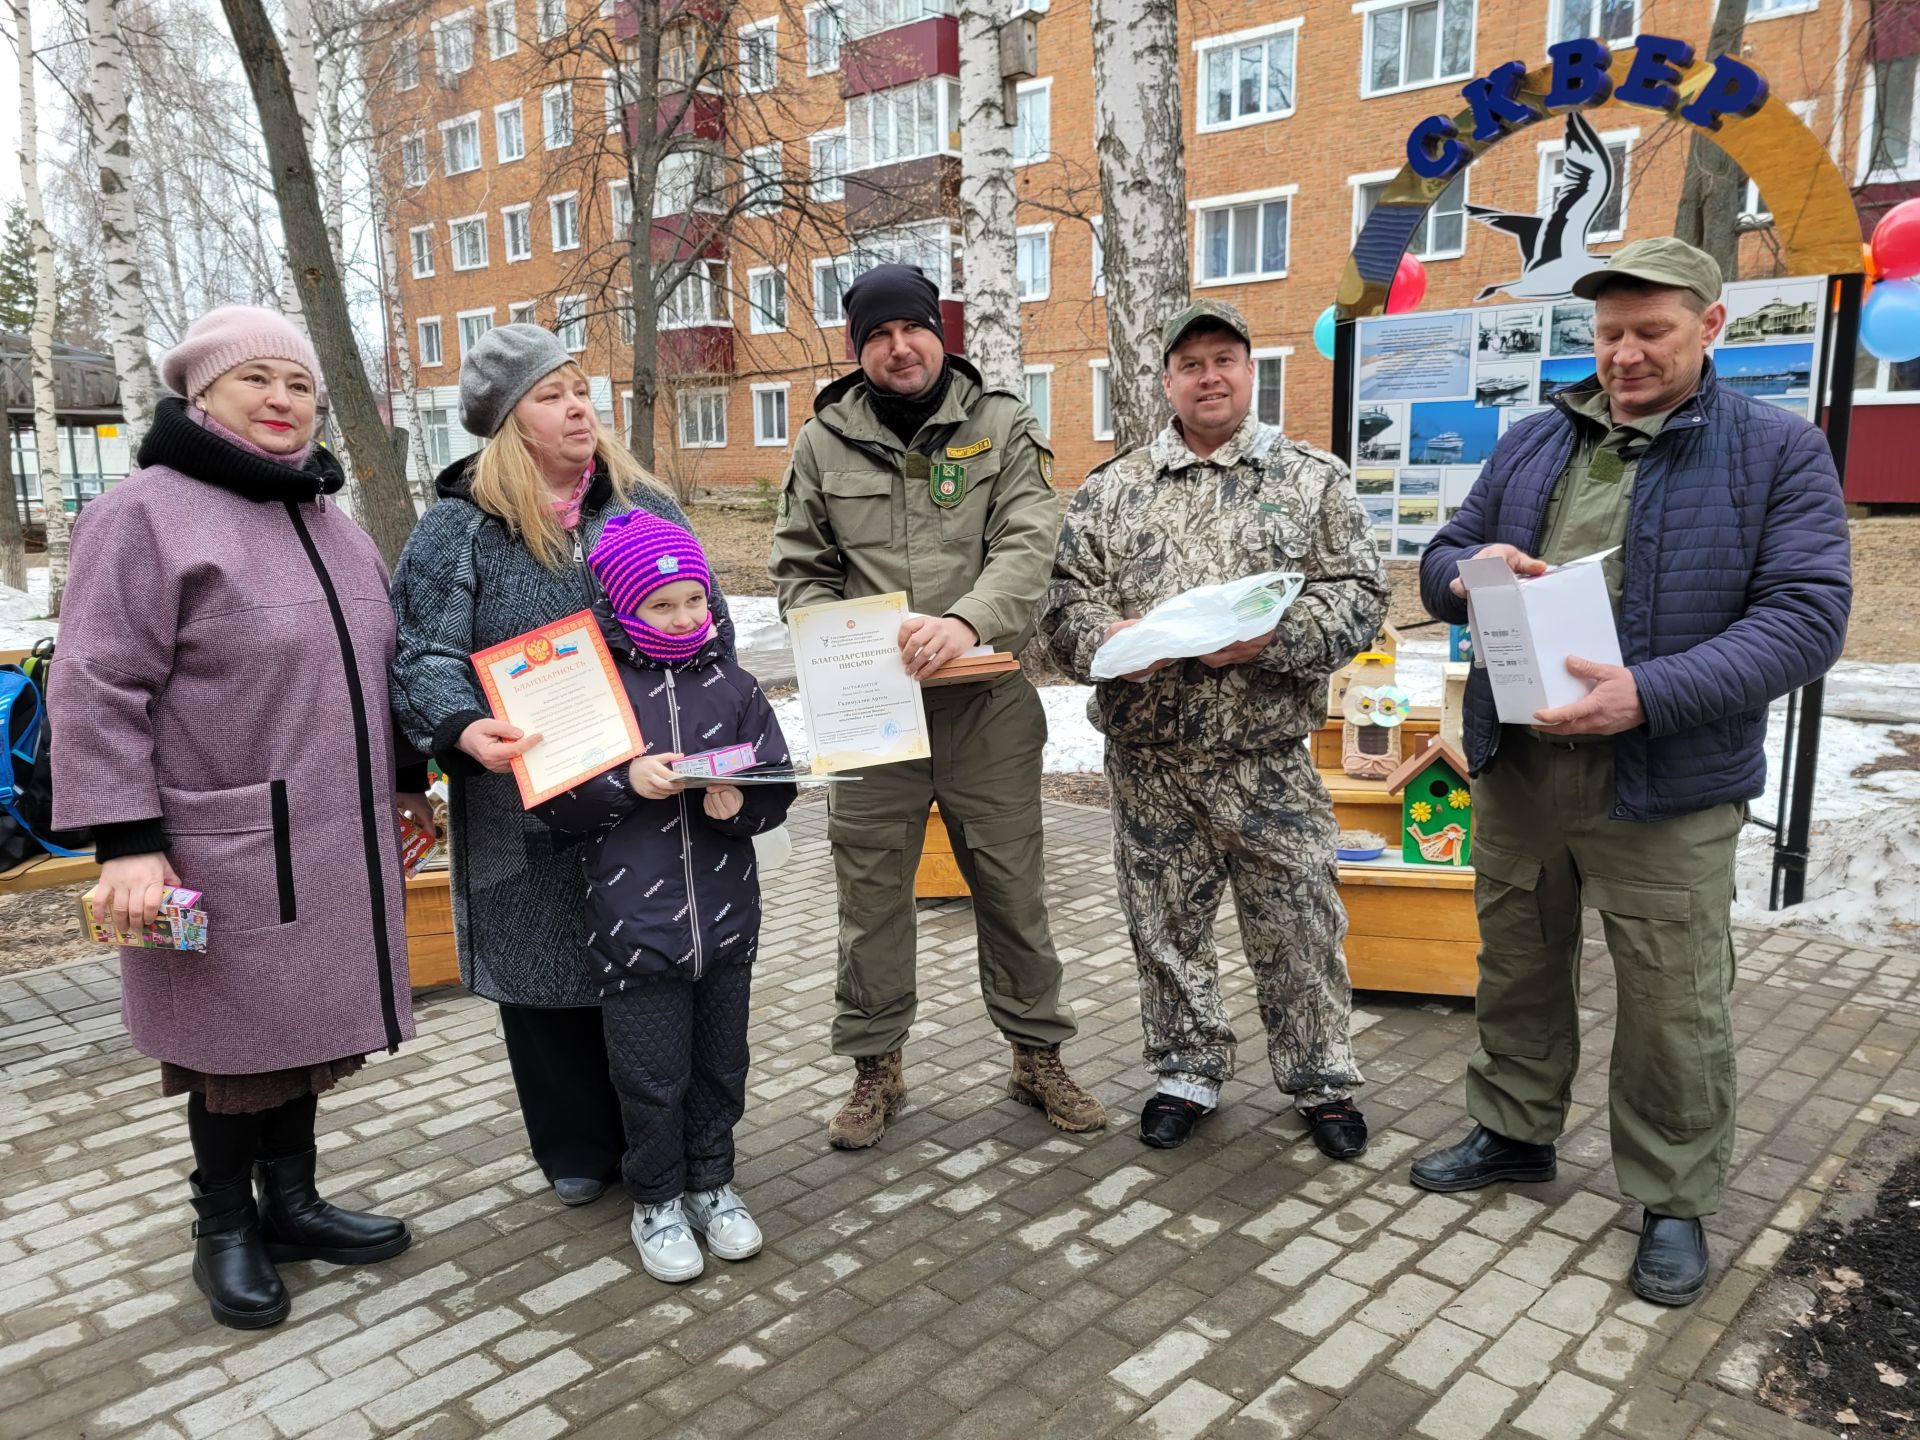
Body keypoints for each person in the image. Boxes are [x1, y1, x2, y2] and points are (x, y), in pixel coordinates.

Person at [1413, 239, 1852, 1306]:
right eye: (1609, 334)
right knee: (1517, 960)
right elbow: (1443, 555)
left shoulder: (1775, 451)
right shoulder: (1532, 443)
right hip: (1522, 766)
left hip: (1665, 778)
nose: (1624, 354)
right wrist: (1469, 579)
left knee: (1672, 1002)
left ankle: (1672, 1198)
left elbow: (1806, 618)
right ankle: (1515, 1131)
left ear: (1711, 326)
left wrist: (1648, 694)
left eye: (1650, 332)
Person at [52, 306, 419, 1330]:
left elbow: (373, 669)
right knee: (232, 1044)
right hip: (219, 837)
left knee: (295, 1026)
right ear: (200, 395)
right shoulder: (146, 513)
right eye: (256, 379)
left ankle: (292, 1204)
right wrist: (127, 841)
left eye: (298, 384)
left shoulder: (327, 521)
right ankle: (225, 1227)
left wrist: (402, 779)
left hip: (328, 831)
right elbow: (97, 682)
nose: (281, 401)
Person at [390, 324, 734, 1205]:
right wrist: (461, 727)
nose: (578, 406)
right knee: (546, 972)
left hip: (652, 790)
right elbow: (422, 654)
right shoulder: (459, 529)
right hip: (524, 793)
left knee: (652, 965)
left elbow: (710, 624)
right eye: (551, 395)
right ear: (509, 422)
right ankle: (576, 1144)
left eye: (581, 388)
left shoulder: (645, 504)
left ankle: (664, 1141)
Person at [1041, 299, 1388, 1158]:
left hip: (1266, 757)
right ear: (1167, 381)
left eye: (1224, 358)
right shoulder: (1112, 489)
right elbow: (1063, 608)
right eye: (1190, 363)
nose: (1209, 376)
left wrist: (1276, 639)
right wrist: (1114, 646)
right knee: (1165, 928)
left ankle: (1320, 1080)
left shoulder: (1312, 478)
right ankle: (1186, 1069)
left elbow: (1359, 597)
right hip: (1151, 759)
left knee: (1299, 924)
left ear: (1249, 369)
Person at [769, 262, 1104, 1148]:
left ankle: (1038, 1058)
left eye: (910, 328)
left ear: (939, 332)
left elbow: (1029, 545)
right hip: (872, 714)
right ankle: (875, 1070)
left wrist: (964, 622)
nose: (897, 347)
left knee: (1010, 888)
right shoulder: (822, 442)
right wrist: (844, 643)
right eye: (876, 335)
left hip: (984, 704)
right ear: (859, 350)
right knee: (870, 898)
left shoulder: (999, 425)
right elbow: (800, 571)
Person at [533, 512, 795, 1282]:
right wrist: (626, 781)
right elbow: (556, 802)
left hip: (727, 924)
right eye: (662, 606)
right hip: (633, 927)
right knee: (650, 1074)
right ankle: (655, 1199)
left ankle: (714, 1184)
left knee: (721, 1064)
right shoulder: (590, 692)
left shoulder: (736, 684)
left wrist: (739, 805)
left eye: (693, 600)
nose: (684, 618)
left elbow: (776, 781)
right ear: (622, 610)